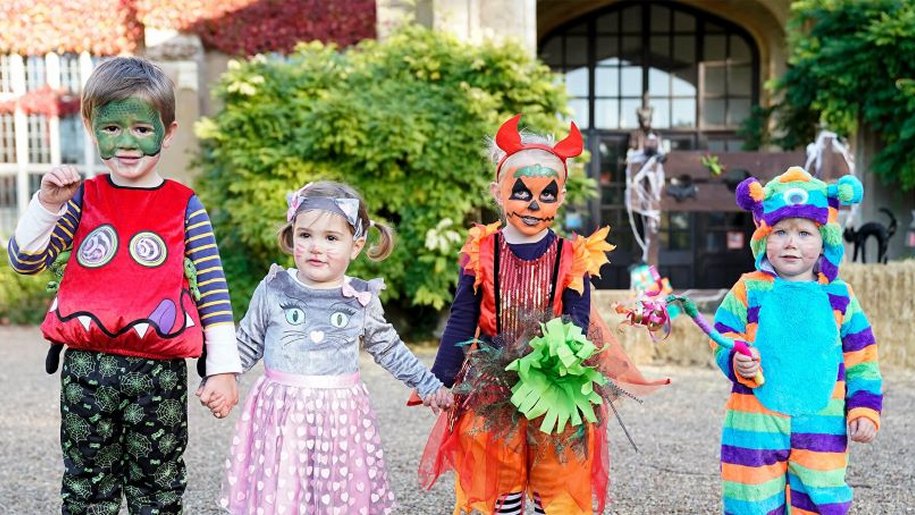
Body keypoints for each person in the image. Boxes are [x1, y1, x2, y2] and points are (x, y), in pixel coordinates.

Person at [5, 56, 241, 513]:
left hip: (158, 373)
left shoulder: (184, 206)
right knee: (87, 485)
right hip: (87, 370)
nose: (127, 142)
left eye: (141, 128)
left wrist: (223, 369)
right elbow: (25, 260)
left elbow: (213, 291)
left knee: (158, 484)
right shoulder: (82, 199)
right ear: (92, 130)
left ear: (167, 132)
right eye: (112, 129)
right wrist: (47, 204)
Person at [424, 114, 667, 515]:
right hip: (491, 385)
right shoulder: (479, 253)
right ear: (497, 193)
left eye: (547, 194)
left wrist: (557, 364)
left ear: (562, 195)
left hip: (556, 385)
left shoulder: (573, 256)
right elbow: (461, 320)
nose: (534, 205)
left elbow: (577, 320)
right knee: (498, 476)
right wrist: (440, 380)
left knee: (554, 478)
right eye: (522, 193)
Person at [216, 180, 452, 514]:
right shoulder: (274, 288)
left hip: (339, 414)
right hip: (283, 411)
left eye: (331, 238)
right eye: (305, 235)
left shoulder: (360, 298)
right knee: (284, 487)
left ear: (355, 246)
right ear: (291, 235)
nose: (316, 247)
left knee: (335, 492)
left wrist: (428, 384)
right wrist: (221, 377)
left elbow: (388, 347)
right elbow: (247, 342)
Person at [714, 166, 883, 513]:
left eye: (805, 233)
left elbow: (862, 357)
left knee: (821, 495)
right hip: (755, 421)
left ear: (825, 243)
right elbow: (723, 334)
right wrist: (735, 358)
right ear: (764, 238)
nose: (792, 242)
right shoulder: (748, 289)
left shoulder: (840, 296)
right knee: (751, 497)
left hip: (822, 424)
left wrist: (864, 408)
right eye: (780, 232)